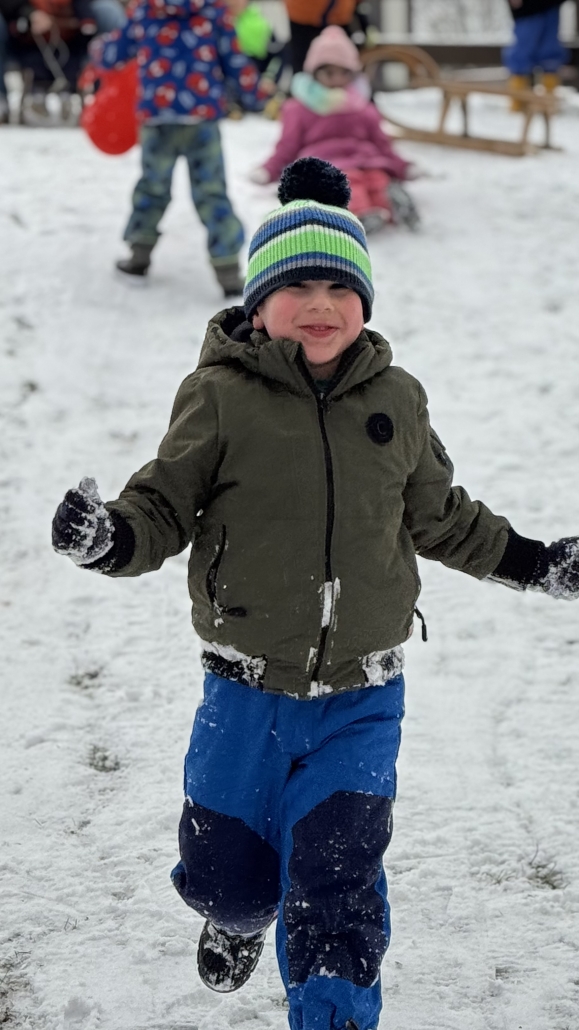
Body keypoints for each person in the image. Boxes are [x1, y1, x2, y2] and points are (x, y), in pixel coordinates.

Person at [51, 157, 579, 1030]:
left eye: (339, 285)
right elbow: (163, 503)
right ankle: (235, 917)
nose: (320, 303)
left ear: (364, 301)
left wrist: (534, 562)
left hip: (362, 697)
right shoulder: (219, 397)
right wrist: (112, 537)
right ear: (258, 304)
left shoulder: (397, 400)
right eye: (295, 285)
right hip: (245, 688)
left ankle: (333, 1014)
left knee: (339, 877)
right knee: (226, 871)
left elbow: (440, 517)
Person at [88, 0, 266, 293]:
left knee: (153, 187)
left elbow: (112, 54)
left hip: (157, 118)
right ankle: (227, 268)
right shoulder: (213, 12)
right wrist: (255, 95)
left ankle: (139, 255)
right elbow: (234, 60)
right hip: (201, 118)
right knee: (211, 191)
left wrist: (99, 49)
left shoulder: (145, 11)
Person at [249, 26, 418, 233]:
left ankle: (392, 204)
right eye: (329, 73)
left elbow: (382, 143)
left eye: (343, 73)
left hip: (366, 159)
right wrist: (268, 170)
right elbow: (287, 146)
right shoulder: (299, 109)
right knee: (347, 185)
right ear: (314, 73)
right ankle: (357, 215)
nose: (337, 79)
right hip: (325, 164)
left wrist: (403, 166)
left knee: (378, 178)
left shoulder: (361, 106)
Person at [0, 0, 125, 124]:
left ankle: (109, 101)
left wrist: (84, 16)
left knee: (108, 11)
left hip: (73, 41)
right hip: (24, 39)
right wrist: (28, 13)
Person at [503, 0, 568, 109]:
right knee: (522, 54)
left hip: (551, 7)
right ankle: (518, 101)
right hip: (528, 10)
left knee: (550, 56)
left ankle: (549, 102)